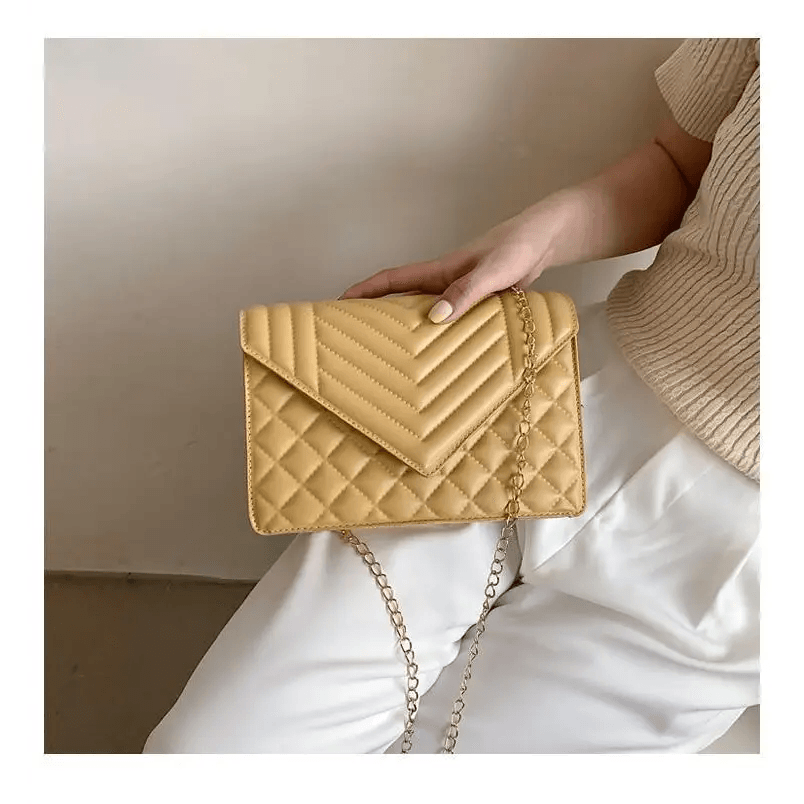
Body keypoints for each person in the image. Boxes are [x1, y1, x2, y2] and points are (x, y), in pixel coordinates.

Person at [143, 38, 760, 753]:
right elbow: (680, 160)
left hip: (737, 564)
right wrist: (537, 237)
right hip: (540, 400)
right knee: (210, 754)